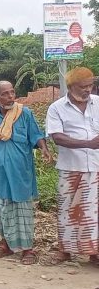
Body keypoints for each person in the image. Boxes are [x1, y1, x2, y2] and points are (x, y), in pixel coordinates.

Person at [0, 81, 52, 265]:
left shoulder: (24, 113)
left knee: (22, 210)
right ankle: (6, 245)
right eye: (5, 94)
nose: (11, 96)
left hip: (20, 172)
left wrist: (44, 149)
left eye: (12, 92)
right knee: (2, 209)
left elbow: (36, 135)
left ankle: (27, 249)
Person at [46, 67, 99, 265]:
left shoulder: (98, 103)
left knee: (94, 212)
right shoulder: (57, 108)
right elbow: (57, 137)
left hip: (96, 167)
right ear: (71, 87)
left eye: (90, 85)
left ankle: (94, 252)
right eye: (83, 86)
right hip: (70, 168)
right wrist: (88, 144)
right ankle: (65, 250)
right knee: (68, 210)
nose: (87, 89)